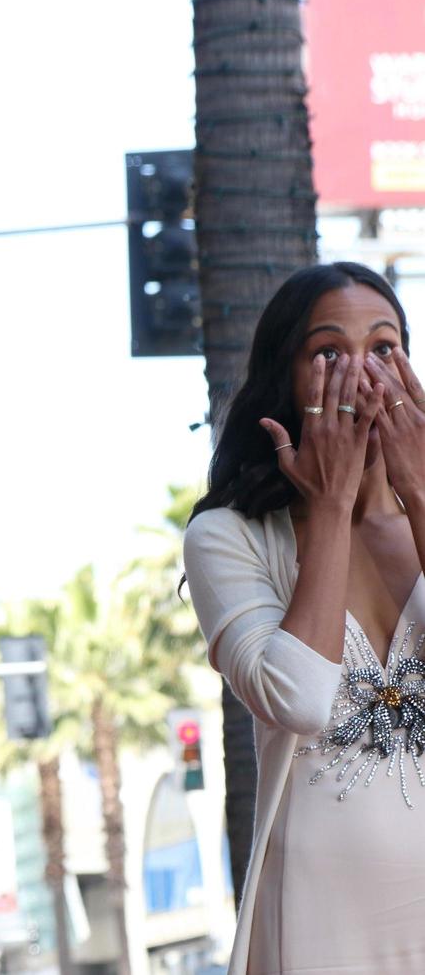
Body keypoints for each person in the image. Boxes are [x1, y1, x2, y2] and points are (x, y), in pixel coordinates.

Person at [185, 262, 425, 974]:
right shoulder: (229, 537)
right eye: (329, 352)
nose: (362, 374)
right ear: (285, 378)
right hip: (323, 927)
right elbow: (299, 697)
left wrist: (416, 488)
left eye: (384, 348)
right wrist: (328, 506)